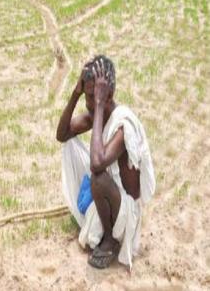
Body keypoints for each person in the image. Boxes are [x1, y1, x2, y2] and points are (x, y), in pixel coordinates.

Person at [56, 55, 156, 269]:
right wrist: (76, 92)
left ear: (107, 95)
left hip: (126, 213)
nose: (88, 102)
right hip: (113, 199)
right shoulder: (97, 113)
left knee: (98, 178)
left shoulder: (122, 124)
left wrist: (99, 106)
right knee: (72, 146)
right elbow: (62, 134)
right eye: (87, 95)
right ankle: (104, 226)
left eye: (92, 96)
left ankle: (110, 240)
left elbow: (96, 164)